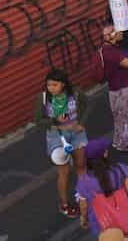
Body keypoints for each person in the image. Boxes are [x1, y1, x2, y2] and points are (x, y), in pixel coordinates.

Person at [35, 69, 89, 219]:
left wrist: (81, 123)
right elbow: (38, 120)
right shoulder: (44, 98)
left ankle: (83, 196)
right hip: (57, 136)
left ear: (63, 85)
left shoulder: (76, 93)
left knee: (81, 166)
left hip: (76, 133)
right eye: (48, 85)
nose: (50, 88)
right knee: (64, 172)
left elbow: (87, 105)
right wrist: (55, 120)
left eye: (54, 85)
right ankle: (65, 204)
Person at [75, 138, 128, 237]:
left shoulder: (83, 182)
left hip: (102, 223)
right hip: (124, 217)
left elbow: (83, 206)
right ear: (104, 155)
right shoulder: (120, 169)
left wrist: (84, 219)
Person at [99, 25, 128, 152]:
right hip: (124, 89)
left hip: (114, 89)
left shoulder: (105, 49)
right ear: (113, 36)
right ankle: (125, 143)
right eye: (118, 31)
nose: (121, 33)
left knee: (120, 117)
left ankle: (119, 140)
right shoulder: (114, 53)